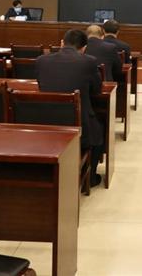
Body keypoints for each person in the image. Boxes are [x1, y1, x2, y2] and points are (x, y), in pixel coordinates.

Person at [36, 29, 104, 187]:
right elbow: (97, 90)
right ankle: (89, 178)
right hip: (77, 123)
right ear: (84, 48)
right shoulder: (89, 61)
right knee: (99, 131)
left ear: (62, 43)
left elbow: (41, 85)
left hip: (45, 121)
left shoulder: (41, 60)